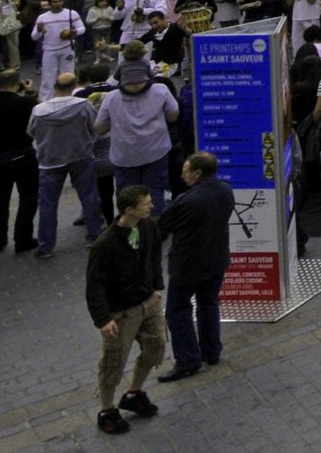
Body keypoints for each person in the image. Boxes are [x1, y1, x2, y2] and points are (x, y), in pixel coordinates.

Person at [87, 184, 165, 433]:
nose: (151, 206)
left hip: (147, 302)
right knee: (113, 363)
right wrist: (102, 320)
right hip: (121, 313)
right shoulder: (105, 244)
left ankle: (134, 394)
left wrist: (157, 286)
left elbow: (154, 254)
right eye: (146, 203)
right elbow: (94, 285)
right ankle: (107, 410)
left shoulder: (148, 226)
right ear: (129, 210)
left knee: (156, 347)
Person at [157, 152, 229, 381]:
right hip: (216, 259)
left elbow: (164, 224)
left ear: (198, 174)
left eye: (186, 171)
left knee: (177, 310)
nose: (182, 175)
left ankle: (188, 360)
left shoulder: (188, 200)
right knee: (208, 303)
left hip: (187, 264)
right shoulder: (225, 190)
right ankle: (211, 351)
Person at [29, 70, 99, 256]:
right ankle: (94, 236)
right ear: (74, 86)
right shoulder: (84, 105)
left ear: (55, 87)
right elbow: (95, 127)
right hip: (80, 156)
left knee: (48, 204)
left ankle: (46, 246)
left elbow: (31, 132)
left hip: (50, 161)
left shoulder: (40, 110)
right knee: (89, 197)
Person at [96, 57, 179, 208]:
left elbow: (100, 128)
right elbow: (173, 116)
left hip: (124, 157)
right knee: (155, 195)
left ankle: (131, 229)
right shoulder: (161, 90)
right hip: (156, 152)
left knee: (128, 198)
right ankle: (154, 229)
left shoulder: (111, 98)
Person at [0, 69, 40, 255]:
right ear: (18, 84)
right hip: (22, 154)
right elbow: (39, 110)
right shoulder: (25, 103)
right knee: (28, 198)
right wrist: (30, 92)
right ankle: (23, 238)